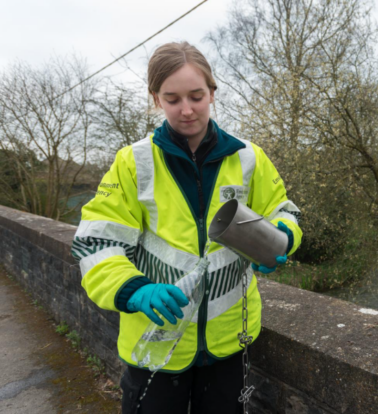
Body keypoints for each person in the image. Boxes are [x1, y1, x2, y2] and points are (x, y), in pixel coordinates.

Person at [71, 41, 302, 414]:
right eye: (173, 98)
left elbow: (283, 210)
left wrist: (282, 238)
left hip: (229, 343)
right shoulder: (133, 163)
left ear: (213, 92)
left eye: (196, 95)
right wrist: (134, 290)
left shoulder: (248, 157)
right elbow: (96, 243)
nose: (187, 109)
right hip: (156, 343)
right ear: (155, 99)